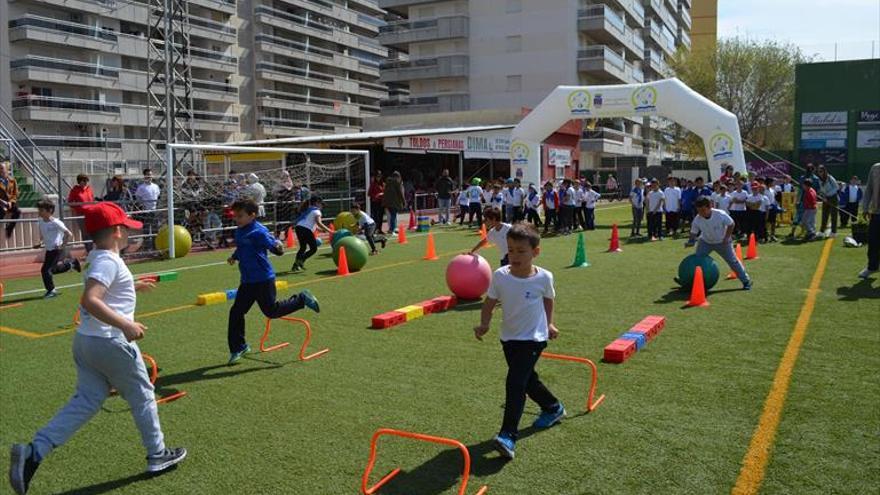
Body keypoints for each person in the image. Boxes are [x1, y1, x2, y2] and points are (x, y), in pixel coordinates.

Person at [8, 203, 186, 495]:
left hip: (86, 342)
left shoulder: (96, 257)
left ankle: (34, 452)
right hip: (110, 341)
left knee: (87, 401)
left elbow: (104, 290)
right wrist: (126, 325)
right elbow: (91, 299)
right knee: (142, 396)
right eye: (126, 227)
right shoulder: (108, 261)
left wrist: (133, 285)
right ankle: (157, 455)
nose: (129, 232)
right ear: (117, 231)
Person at [473, 223, 564, 460]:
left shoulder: (544, 277)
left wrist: (550, 324)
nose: (514, 255)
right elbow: (490, 303)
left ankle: (507, 436)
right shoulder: (500, 276)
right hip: (509, 338)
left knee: (515, 383)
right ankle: (553, 407)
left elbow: (548, 301)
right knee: (527, 380)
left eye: (521, 251)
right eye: (511, 250)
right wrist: (484, 324)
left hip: (534, 338)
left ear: (535, 252)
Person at [226, 198, 320, 364]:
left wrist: (278, 246)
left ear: (252, 215)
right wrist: (234, 256)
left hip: (263, 279)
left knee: (271, 311)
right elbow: (242, 248)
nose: (236, 219)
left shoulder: (259, 232)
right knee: (236, 312)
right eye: (235, 216)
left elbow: (276, 249)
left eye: (240, 216)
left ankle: (301, 299)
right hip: (247, 281)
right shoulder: (239, 231)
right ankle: (238, 346)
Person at [685, 196, 752, 290]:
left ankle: (746, 281)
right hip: (705, 242)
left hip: (723, 242)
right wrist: (691, 241)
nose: (701, 213)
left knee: (733, 261)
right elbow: (693, 231)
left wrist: (727, 237)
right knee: (698, 261)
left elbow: (731, 224)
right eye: (699, 210)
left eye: (703, 210)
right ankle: (694, 282)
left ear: (710, 207)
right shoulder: (697, 218)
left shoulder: (720, 214)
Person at [34, 200, 81, 298]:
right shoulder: (41, 222)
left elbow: (69, 234)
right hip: (49, 250)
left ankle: (51, 291)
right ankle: (71, 264)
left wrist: (63, 246)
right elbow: (45, 235)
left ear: (49, 210)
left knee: (45, 270)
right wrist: (40, 242)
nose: (39, 212)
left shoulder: (56, 222)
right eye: (39, 210)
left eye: (41, 210)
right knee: (53, 270)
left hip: (57, 250)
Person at [292, 196, 332, 271]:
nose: (322, 207)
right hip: (305, 229)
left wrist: (322, 230)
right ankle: (300, 261)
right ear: (317, 203)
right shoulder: (317, 212)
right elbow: (319, 223)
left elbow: (312, 224)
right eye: (321, 204)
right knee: (313, 249)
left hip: (298, 228)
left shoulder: (309, 209)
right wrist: (330, 231)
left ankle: (295, 265)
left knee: (303, 247)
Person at [858, 163, 879, 279]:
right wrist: (865, 208)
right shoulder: (875, 168)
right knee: (873, 242)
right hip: (876, 213)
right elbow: (869, 190)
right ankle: (872, 267)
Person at [68, 174, 96, 252]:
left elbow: (92, 200)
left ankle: (94, 249)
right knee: (85, 233)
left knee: (93, 231)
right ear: (79, 181)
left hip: (91, 213)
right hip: (81, 215)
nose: (85, 182)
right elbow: (70, 202)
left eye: (86, 181)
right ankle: (89, 250)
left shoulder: (89, 189)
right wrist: (79, 208)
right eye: (83, 181)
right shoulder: (75, 190)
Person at [134, 169, 161, 247]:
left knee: (155, 228)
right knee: (146, 228)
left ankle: (155, 245)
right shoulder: (141, 187)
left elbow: (158, 196)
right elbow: (137, 198)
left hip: (155, 210)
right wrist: (142, 206)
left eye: (151, 174)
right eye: (148, 174)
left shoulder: (156, 186)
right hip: (146, 211)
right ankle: (146, 245)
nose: (150, 176)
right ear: (145, 176)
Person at [0, 162, 22, 237]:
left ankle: (9, 229)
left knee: (17, 211)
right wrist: (2, 203)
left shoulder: (12, 180)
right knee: (2, 211)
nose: (1, 170)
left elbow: (15, 194)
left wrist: (10, 202)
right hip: (1, 203)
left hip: (9, 203)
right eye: (0, 168)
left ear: (6, 169)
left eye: (2, 168)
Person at [817, 165, 839, 237]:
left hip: (833, 198)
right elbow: (821, 189)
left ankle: (834, 232)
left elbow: (836, 187)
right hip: (825, 198)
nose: (820, 173)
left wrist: (828, 195)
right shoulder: (819, 179)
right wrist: (822, 196)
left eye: (821, 171)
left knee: (833, 215)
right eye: (819, 171)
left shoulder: (830, 178)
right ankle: (822, 231)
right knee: (824, 215)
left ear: (824, 171)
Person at [273, 171, 295, 238]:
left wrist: (292, 199)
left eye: (287, 176)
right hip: (280, 206)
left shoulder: (290, 183)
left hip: (288, 206)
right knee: (278, 220)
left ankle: (287, 235)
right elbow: (275, 193)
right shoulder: (278, 184)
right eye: (285, 176)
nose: (287, 177)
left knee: (288, 221)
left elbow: (291, 192)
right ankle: (277, 234)